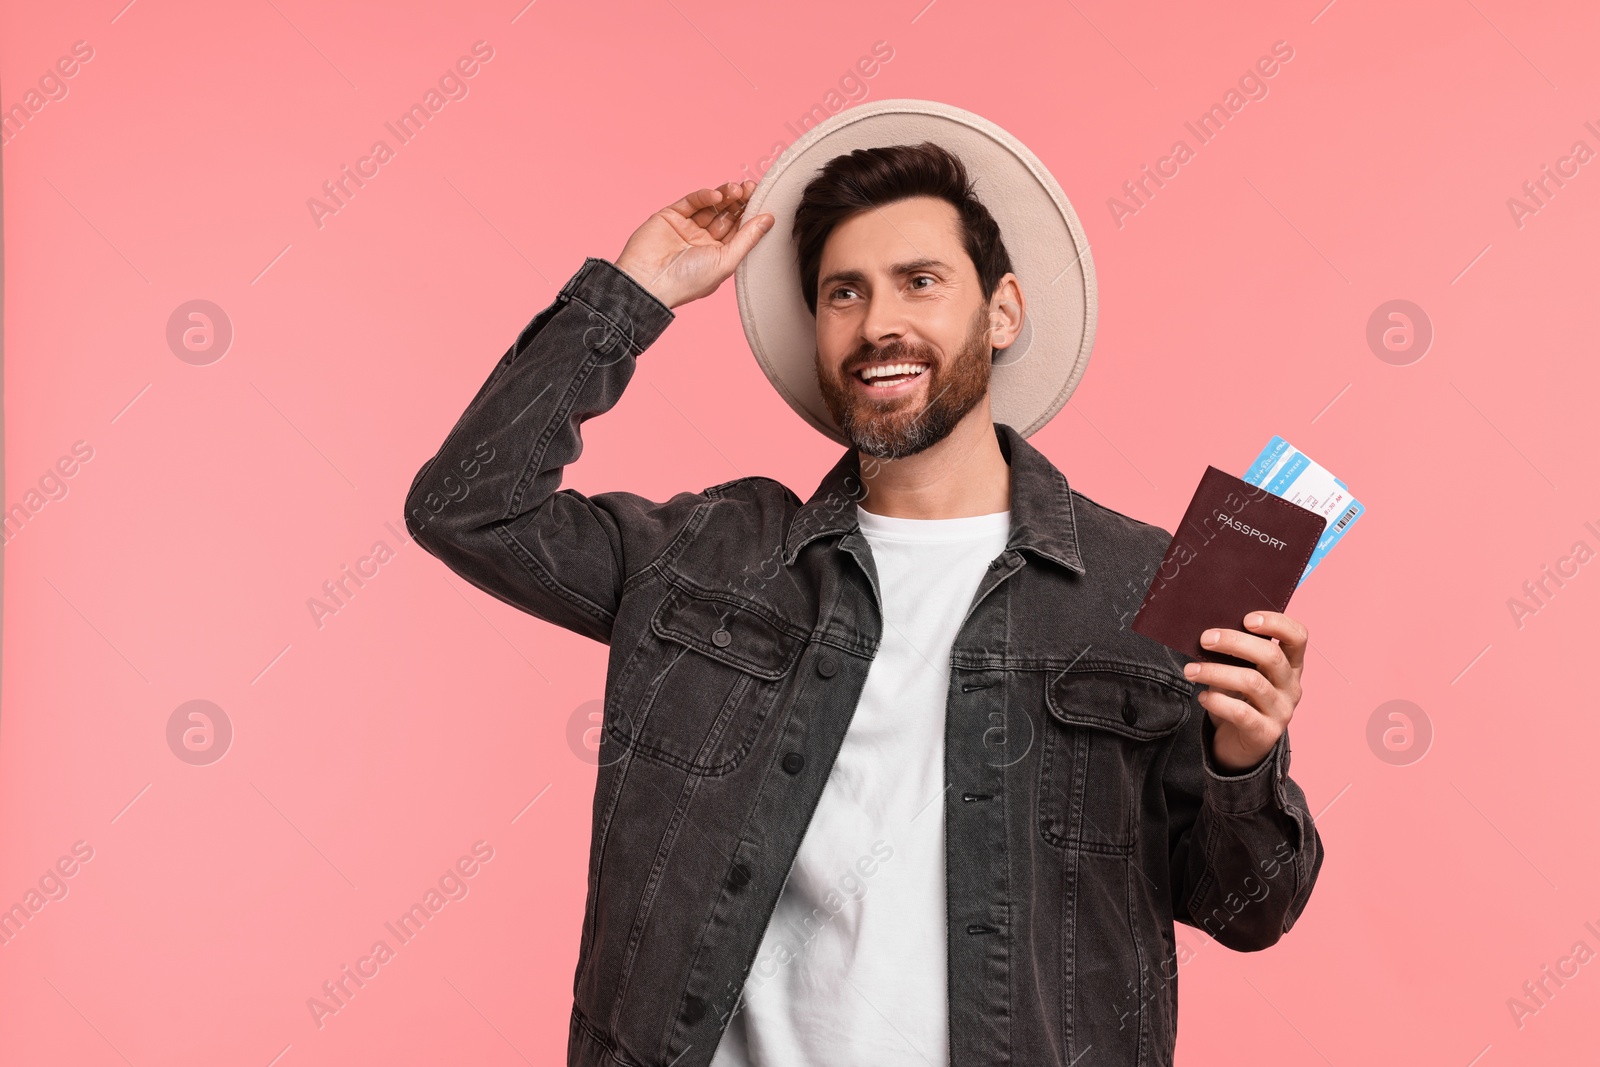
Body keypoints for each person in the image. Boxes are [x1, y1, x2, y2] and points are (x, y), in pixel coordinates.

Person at [405, 130, 1324, 1067]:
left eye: (920, 281)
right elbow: (467, 507)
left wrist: (1244, 762)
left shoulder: (1143, 584)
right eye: (845, 292)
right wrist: (631, 295)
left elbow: (1250, 910)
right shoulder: (714, 553)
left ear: (1001, 311)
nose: (879, 322)